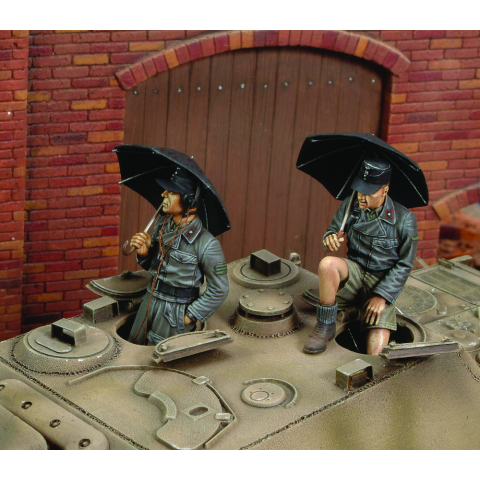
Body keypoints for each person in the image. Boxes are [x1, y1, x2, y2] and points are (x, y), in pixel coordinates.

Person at [303, 158, 418, 356]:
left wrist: (382, 296)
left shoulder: (405, 219)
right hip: (355, 272)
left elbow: (405, 263)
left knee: (376, 351)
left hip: (381, 280)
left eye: (369, 192)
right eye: (359, 190)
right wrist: (330, 238)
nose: (362, 197)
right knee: (327, 264)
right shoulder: (351, 205)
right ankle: (325, 325)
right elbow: (332, 230)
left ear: (385, 190)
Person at [127, 167, 229, 345]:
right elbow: (155, 266)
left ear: (189, 199)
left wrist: (190, 315)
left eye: (172, 192)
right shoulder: (161, 224)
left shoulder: (207, 244)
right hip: (150, 299)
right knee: (135, 343)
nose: (163, 195)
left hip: (174, 311)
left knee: (160, 352)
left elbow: (219, 289)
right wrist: (145, 254)